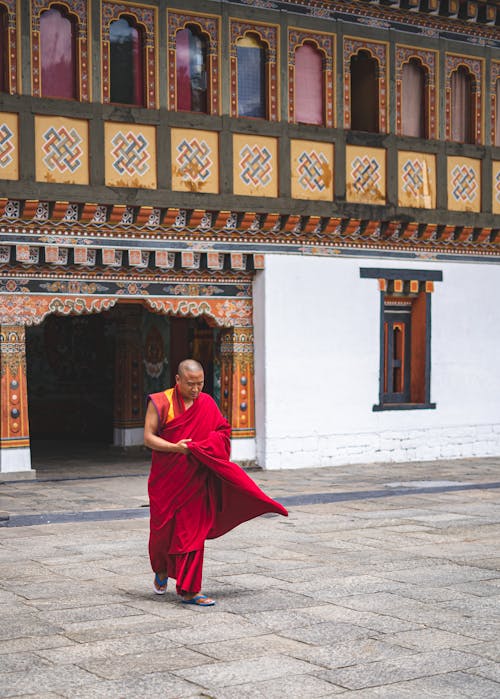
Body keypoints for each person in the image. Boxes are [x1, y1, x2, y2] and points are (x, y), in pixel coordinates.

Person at [144, 358, 288, 606]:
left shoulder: (207, 403)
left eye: (200, 384)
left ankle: (190, 590)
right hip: (166, 481)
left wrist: (203, 447)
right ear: (178, 380)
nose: (196, 390)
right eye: (190, 384)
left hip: (196, 480)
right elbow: (148, 437)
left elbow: (223, 432)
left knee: (192, 535)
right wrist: (176, 449)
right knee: (161, 536)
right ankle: (162, 568)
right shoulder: (160, 401)